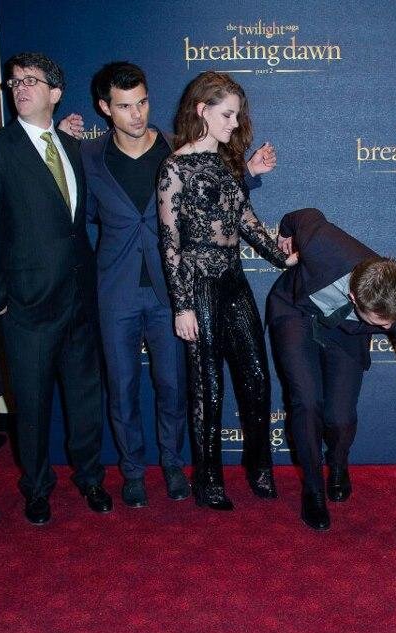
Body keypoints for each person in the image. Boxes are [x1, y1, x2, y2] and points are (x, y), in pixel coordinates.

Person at [73, 62, 276, 508]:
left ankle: (172, 465)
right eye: (125, 106)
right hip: (117, 289)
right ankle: (132, 471)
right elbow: (73, 210)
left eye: (143, 102)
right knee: (122, 388)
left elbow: (212, 191)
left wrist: (249, 173)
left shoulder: (174, 147)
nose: (137, 114)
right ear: (105, 108)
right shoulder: (86, 156)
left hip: (172, 290)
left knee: (174, 386)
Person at [268, 208, 396, 531]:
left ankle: (338, 463)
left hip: (347, 333)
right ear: (355, 297)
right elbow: (302, 215)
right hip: (297, 311)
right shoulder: (321, 242)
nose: (390, 329)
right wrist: (285, 234)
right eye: (382, 324)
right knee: (306, 402)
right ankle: (313, 489)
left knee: (340, 417)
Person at [0, 52, 111, 525]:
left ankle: (90, 477)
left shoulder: (71, 146)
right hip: (25, 306)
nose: (20, 88)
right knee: (30, 405)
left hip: (79, 300)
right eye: (14, 82)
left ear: (55, 92)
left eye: (31, 81)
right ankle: (36, 487)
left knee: (85, 397)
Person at [158, 70, 293, 511]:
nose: (235, 123)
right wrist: (182, 306)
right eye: (227, 114)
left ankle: (259, 467)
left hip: (235, 282)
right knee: (209, 387)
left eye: (237, 115)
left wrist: (283, 258)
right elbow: (170, 243)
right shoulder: (175, 167)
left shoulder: (227, 164)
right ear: (203, 110)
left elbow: (246, 220)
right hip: (198, 285)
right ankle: (208, 479)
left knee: (257, 377)